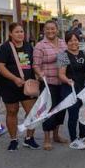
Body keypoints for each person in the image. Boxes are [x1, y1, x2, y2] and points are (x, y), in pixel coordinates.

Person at [0, 23, 39, 152]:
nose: (20, 34)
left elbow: (33, 64)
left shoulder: (28, 46)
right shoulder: (4, 48)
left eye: (22, 32)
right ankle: (13, 139)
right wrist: (14, 79)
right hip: (9, 86)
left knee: (32, 112)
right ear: (10, 34)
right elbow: (0, 66)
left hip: (27, 86)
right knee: (12, 111)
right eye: (17, 32)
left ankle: (29, 138)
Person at [33, 20, 67, 151]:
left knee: (60, 109)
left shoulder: (63, 43)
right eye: (47, 29)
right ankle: (47, 139)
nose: (50, 31)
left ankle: (56, 135)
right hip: (48, 84)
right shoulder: (40, 45)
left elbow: (64, 61)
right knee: (48, 111)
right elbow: (36, 65)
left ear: (57, 30)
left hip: (62, 82)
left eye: (53, 29)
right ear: (44, 31)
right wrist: (40, 74)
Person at [58, 30, 85, 150]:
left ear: (79, 41)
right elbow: (60, 74)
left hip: (82, 88)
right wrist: (67, 80)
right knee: (73, 113)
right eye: (70, 40)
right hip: (69, 89)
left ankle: (83, 136)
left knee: (83, 112)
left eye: (75, 40)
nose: (73, 42)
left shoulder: (83, 53)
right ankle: (73, 139)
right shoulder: (62, 55)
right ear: (67, 42)